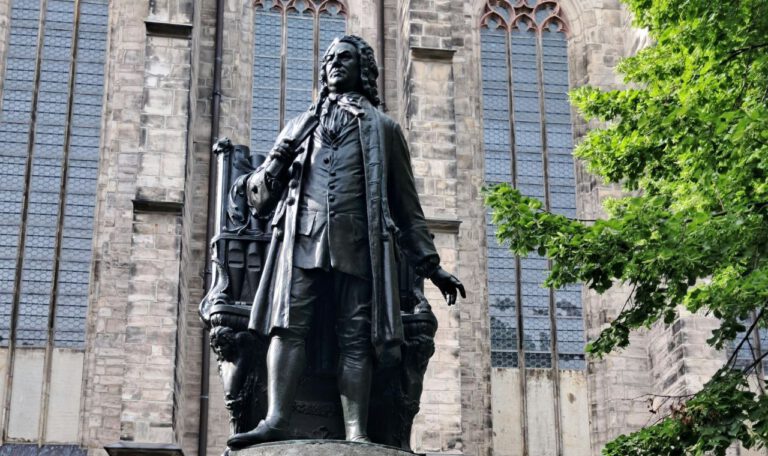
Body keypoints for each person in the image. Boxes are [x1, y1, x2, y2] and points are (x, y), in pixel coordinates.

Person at [227, 35, 465, 449]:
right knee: (287, 327)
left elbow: (407, 207)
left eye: (346, 58)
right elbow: (259, 200)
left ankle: (356, 431)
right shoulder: (300, 126)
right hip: (301, 242)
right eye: (330, 59)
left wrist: (432, 267)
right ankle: (277, 420)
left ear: (363, 69)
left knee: (357, 337)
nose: (335, 63)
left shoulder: (385, 130)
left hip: (359, 246)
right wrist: (281, 156)